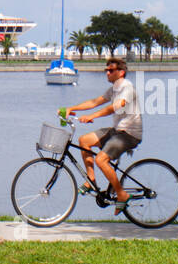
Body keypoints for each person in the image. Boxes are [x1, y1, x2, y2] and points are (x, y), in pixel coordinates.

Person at [59, 58, 141, 214]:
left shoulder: (127, 88)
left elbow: (114, 107)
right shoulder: (114, 89)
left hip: (129, 133)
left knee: (101, 160)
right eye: (106, 70)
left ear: (121, 72)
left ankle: (122, 194)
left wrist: (92, 117)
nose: (107, 73)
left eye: (111, 70)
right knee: (84, 140)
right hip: (117, 131)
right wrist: (71, 108)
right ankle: (91, 180)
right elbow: (94, 102)